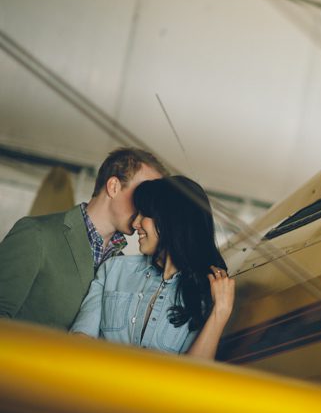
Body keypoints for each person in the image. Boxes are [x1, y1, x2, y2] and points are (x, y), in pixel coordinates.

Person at [0, 147, 167, 329]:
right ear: (113, 187)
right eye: (143, 193)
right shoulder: (36, 234)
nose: (149, 205)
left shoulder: (122, 264)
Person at [71, 176, 235, 359]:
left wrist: (220, 313)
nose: (135, 224)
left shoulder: (205, 292)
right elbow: (80, 338)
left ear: (170, 220)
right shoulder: (113, 270)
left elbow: (193, 376)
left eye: (144, 214)